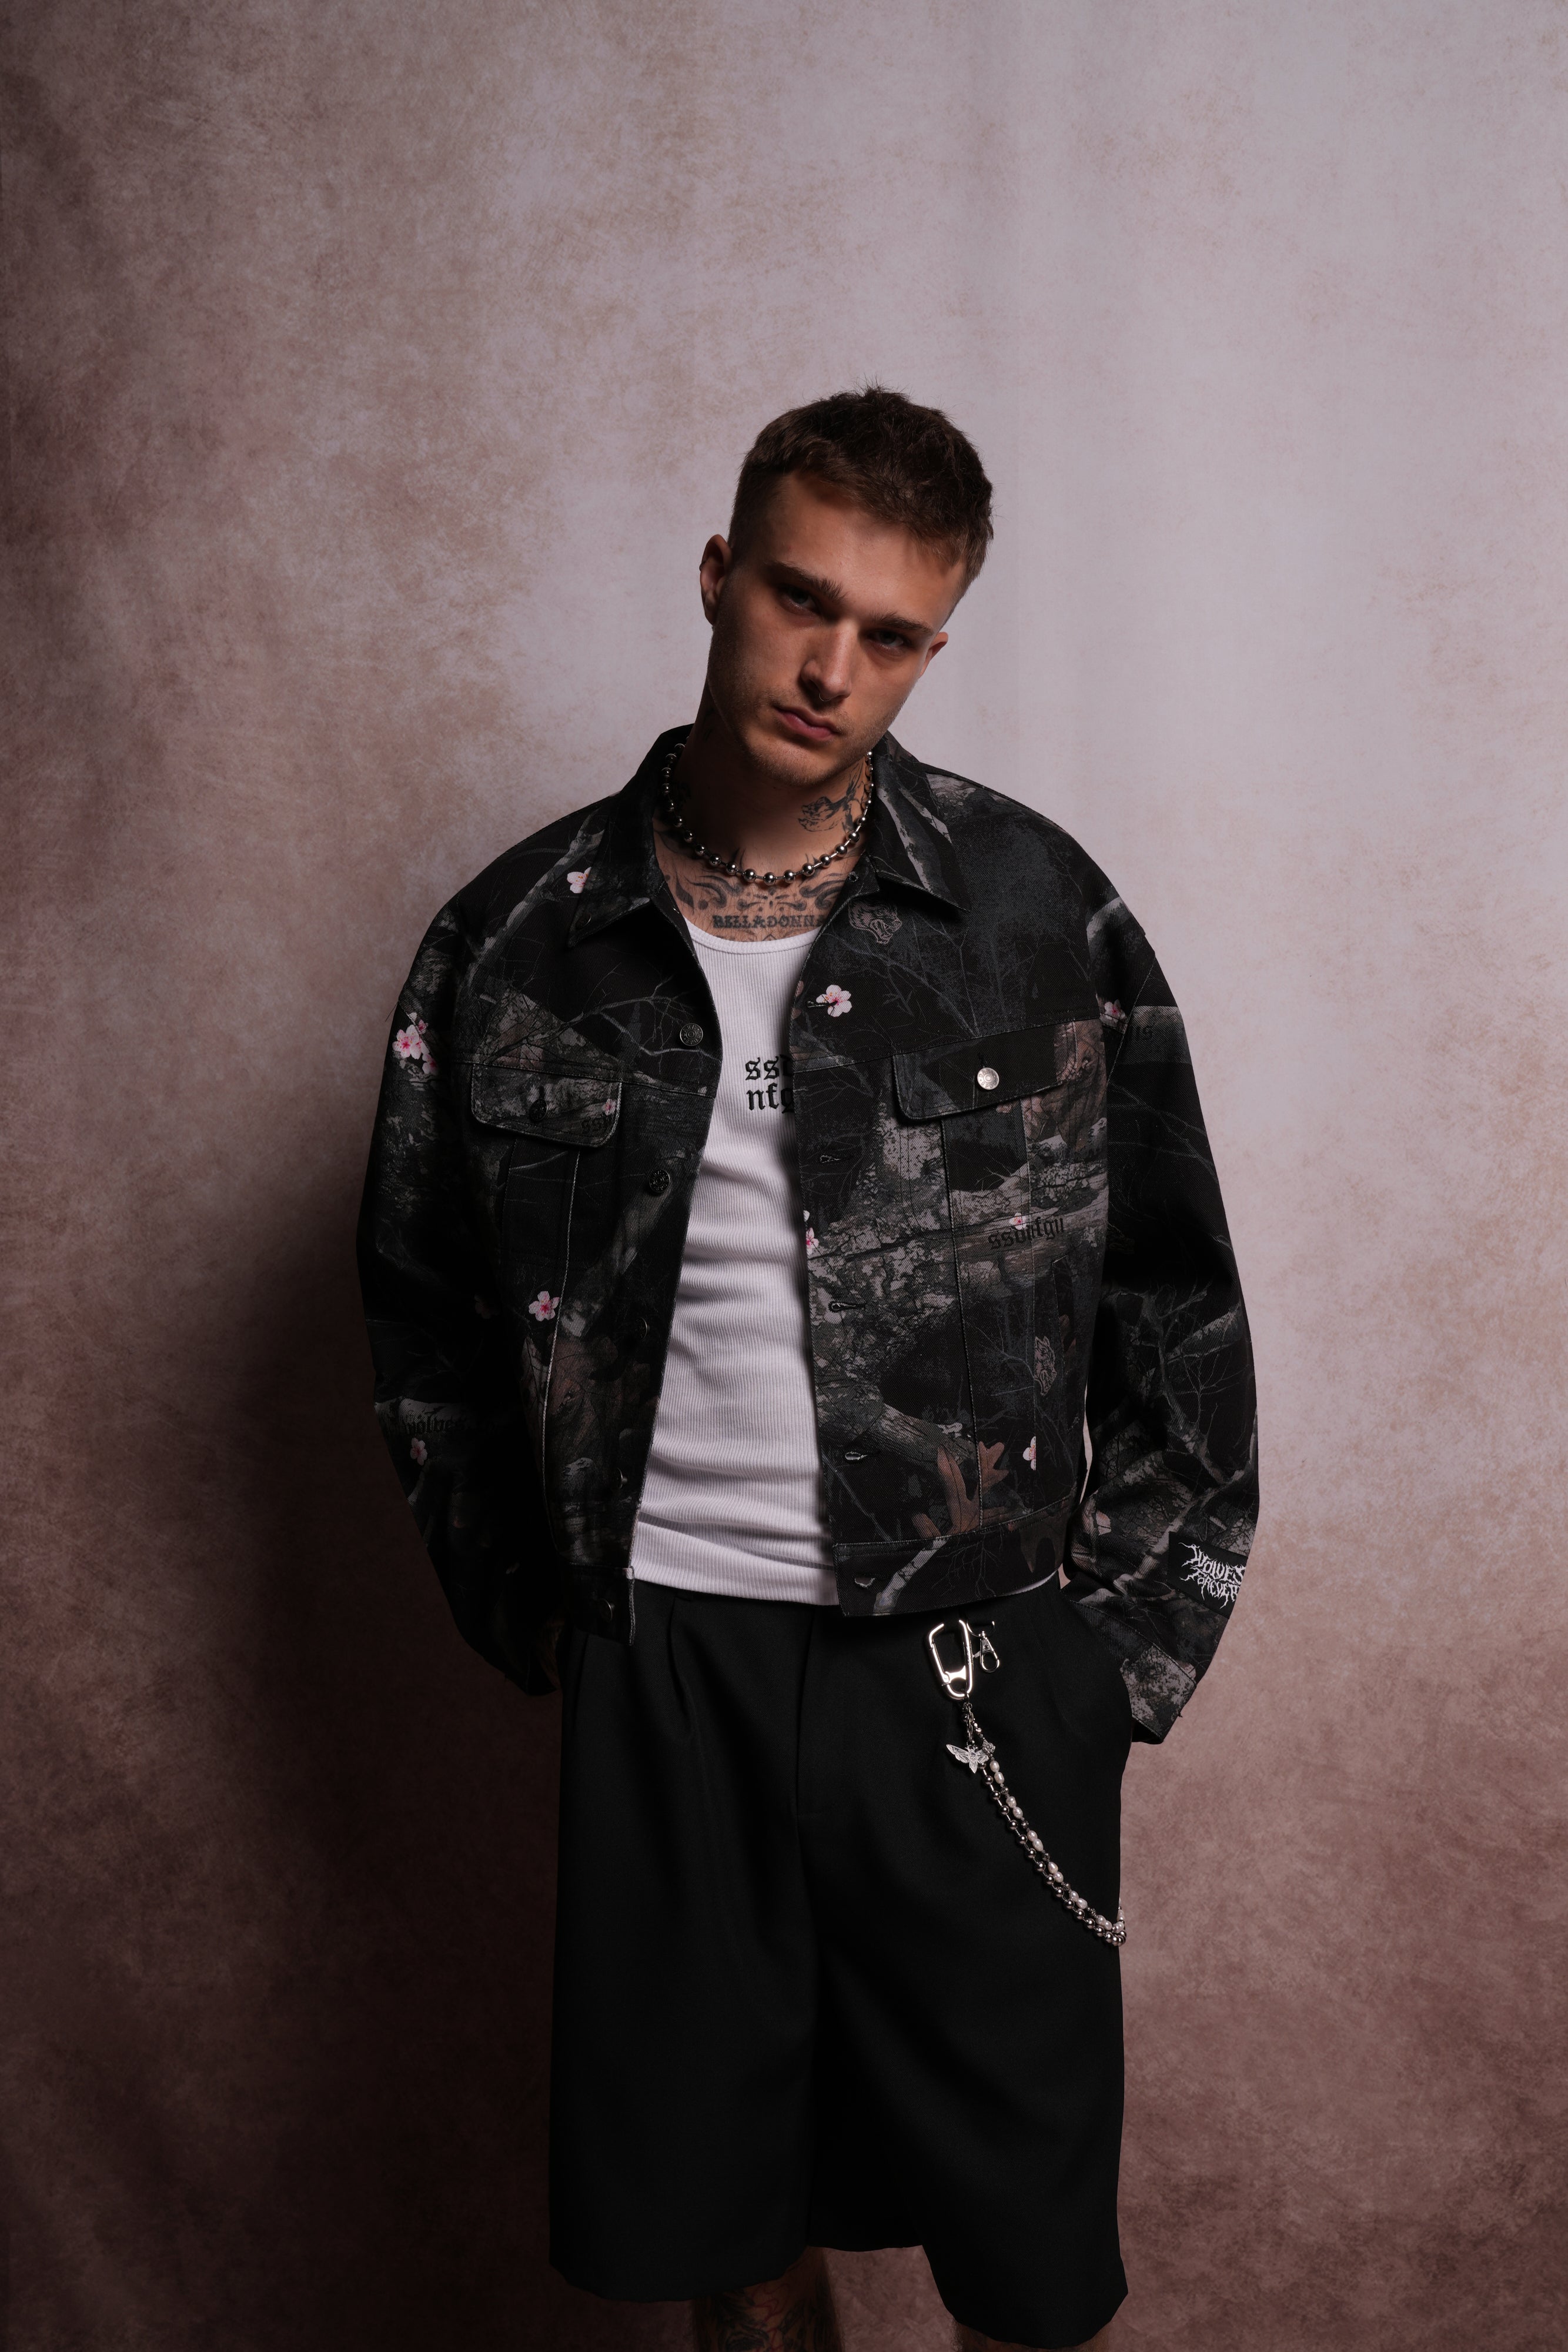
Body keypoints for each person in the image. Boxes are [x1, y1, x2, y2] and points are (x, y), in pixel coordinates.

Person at [357, 386, 1258, 2351]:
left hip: (965, 1658)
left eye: (893, 633)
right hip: (664, 1649)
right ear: (718, 573)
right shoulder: (518, 941)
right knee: (716, 2205)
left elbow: (1176, 1297)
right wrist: (528, 1606)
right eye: (799, 600)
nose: (832, 668)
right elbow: (419, 1307)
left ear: (936, 643)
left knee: (1022, 2237)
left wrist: (1109, 1659)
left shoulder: (1035, 914)